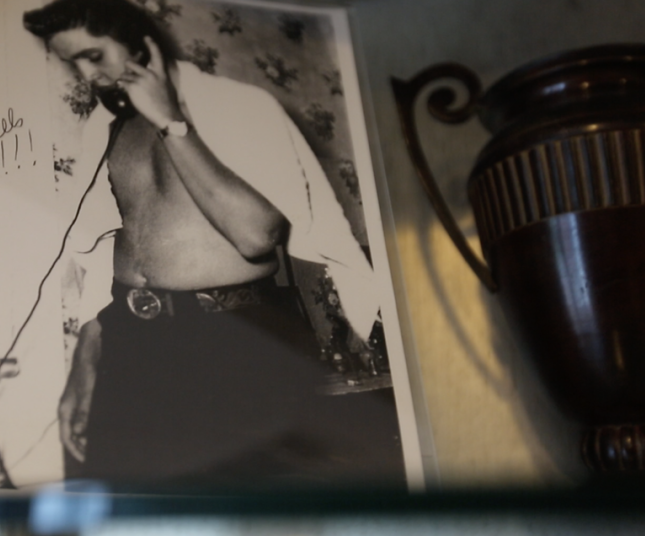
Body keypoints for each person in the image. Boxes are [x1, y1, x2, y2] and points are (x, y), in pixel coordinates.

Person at [22, 0, 401, 485]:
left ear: (139, 42)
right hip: (131, 341)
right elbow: (100, 249)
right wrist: (86, 360)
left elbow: (256, 236)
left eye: (94, 56)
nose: (86, 74)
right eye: (72, 61)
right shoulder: (107, 128)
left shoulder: (237, 107)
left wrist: (172, 124)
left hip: (232, 343)